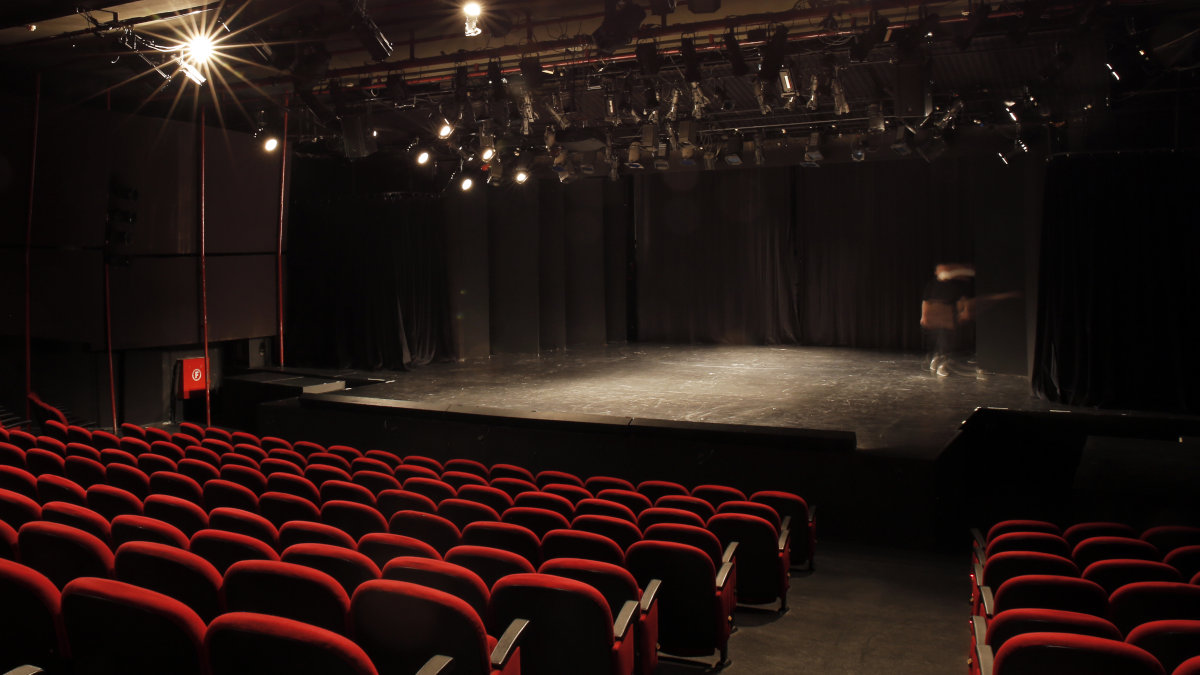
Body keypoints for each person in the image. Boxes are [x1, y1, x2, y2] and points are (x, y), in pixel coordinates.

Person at [921, 263, 976, 377]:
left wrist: (964, 311)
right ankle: (941, 363)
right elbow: (926, 301)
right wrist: (924, 316)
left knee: (946, 340)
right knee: (942, 340)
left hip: (948, 316)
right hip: (936, 315)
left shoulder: (954, 285)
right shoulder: (933, 284)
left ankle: (940, 361)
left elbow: (963, 298)